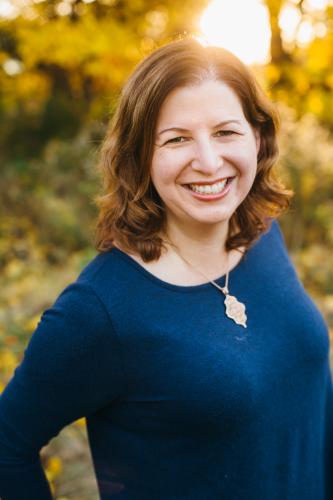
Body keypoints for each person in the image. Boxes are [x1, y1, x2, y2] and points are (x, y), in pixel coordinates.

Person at [0, 37, 332, 500]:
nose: (209, 161)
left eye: (225, 132)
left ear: (257, 137)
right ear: (140, 156)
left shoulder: (262, 233)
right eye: (177, 139)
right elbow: (7, 445)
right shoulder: (102, 310)